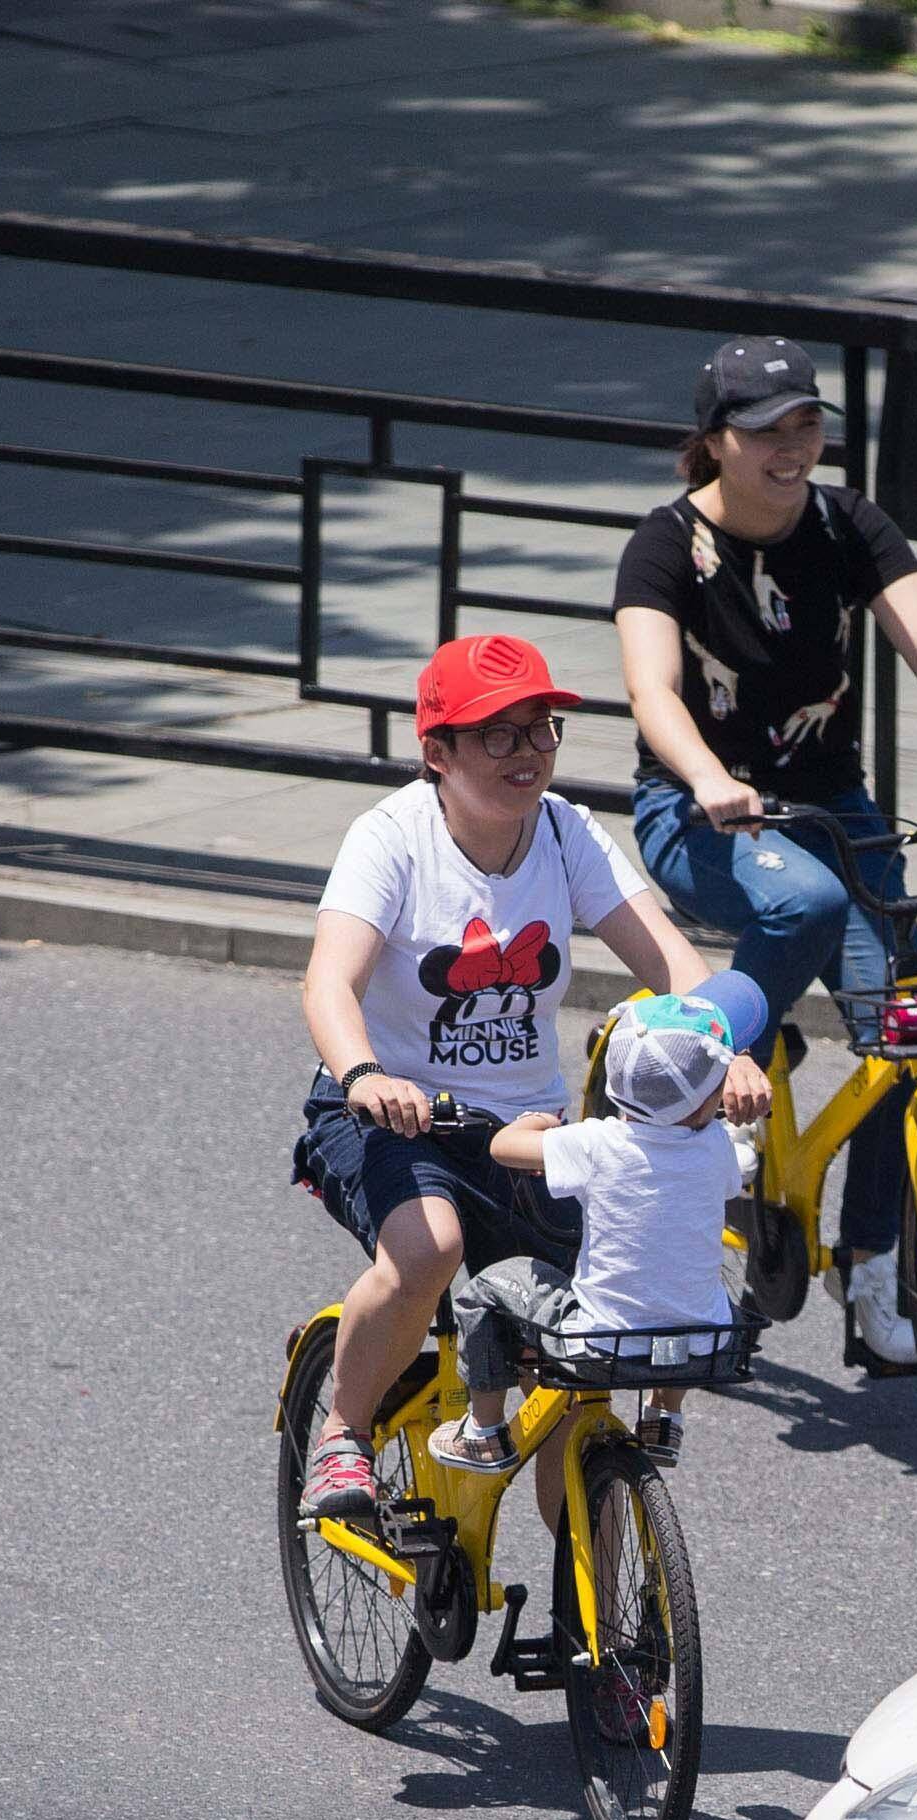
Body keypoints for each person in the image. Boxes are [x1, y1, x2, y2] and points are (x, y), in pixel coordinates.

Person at [613, 334, 917, 1374]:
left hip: (829, 803)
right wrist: (707, 779)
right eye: (767, 431)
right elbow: (653, 692)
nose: (792, 447)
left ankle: (871, 1273)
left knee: (906, 1030)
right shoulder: (661, 545)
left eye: (806, 424)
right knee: (806, 905)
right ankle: (711, 1063)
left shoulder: (847, 523)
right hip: (694, 810)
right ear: (715, 441)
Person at [293, 633, 767, 1524]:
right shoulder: (391, 838)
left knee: (595, 1322)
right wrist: (361, 1072)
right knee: (428, 1248)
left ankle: (590, 1585)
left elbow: (669, 957)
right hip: (395, 1112)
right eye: (499, 735)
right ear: (438, 751)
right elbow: (329, 980)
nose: (530, 753)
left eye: (542, 730)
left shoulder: (565, 831)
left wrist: (720, 1047)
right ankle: (342, 1438)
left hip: (530, 1130)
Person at [436, 986, 756, 1479]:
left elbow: (503, 1147)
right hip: (704, 1346)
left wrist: (537, 1122)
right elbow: (742, 1167)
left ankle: (483, 1431)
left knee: (485, 1291)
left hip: (601, 1345)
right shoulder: (714, 1145)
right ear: (704, 1103)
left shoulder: (596, 1142)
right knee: (699, 1290)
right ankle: (663, 1417)